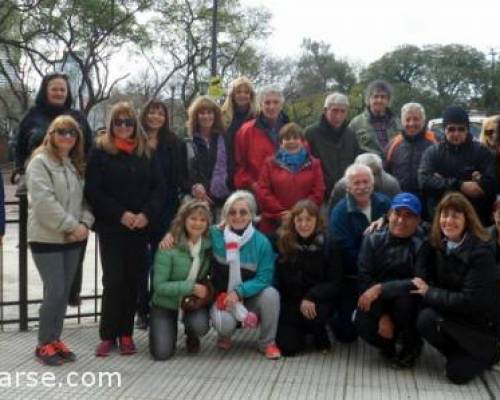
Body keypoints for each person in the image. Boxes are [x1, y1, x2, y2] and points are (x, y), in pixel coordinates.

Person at [85, 102, 165, 357]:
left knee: (133, 280)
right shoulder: (99, 151)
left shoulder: (145, 152)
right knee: (113, 280)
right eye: (118, 122)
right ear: (111, 125)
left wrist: (145, 215)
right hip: (112, 226)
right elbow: (94, 190)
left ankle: (126, 333)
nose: (123, 127)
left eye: (128, 122)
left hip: (139, 227)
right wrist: (121, 214)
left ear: (135, 126)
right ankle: (108, 334)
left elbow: (158, 189)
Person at [15, 72, 94, 307]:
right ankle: (54, 299)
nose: (59, 92)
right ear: (45, 90)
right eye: (54, 88)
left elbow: (89, 147)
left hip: (72, 181)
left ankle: (71, 293)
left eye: (63, 89)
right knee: (50, 256)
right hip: (42, 185)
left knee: (74, 247)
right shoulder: (32, 117)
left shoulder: (77, 117)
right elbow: (19, 147)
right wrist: (20, 169)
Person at [26, 115, 93, 365]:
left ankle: (55, 338)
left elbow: (86, 200)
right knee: (54, 290)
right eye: (62, 131)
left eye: (72, 133)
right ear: (51, 134)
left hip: (73, 238)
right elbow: (44, 203)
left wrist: (85, 223)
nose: (67, 137)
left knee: (64, 292)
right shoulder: (40, 162)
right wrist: (71, 226)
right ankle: (43, 343)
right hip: (47, 238)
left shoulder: (73, 164)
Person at [413, 192, 500, 384]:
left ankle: (489, 353)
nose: (448, 221)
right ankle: (459, 353)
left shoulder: (481, 252)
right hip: (453, 314)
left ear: (467, 220)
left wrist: (429, 292)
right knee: (425, 320)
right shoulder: (438, 241)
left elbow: (470, 302)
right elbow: (412, 221)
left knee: (457, 375)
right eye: (444, 215)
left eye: (455, 216)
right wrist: (384, 218)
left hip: (479, 324)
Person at [355, 193, 425, 368]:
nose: (401, 220)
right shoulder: (372, 239)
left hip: (407, 303)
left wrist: (380, 288)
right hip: (379, 302)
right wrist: (382, 315)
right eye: (397, 213)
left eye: (409, 215)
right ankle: (388, 345)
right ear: (388, 215)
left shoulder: (423, 244)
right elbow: (364, 279)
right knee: (361, 318)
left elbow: (418, 282)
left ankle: (411, 345)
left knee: (405, 300)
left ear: (418, 220)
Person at [209, 191, 281, 359]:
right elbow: (190, 232)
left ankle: (267, 343)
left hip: (250, 299)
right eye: (232, 212)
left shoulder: (261, 242)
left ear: (252, 215)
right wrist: (170, 236)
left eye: (243, 212)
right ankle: (224, 334)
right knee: (224, 324)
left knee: (271, 295)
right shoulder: (215, 235)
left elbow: (265, 278)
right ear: (225, 215)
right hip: (223, 299)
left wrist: (239, 292)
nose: (238, 216)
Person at [135, 99, 187, 330]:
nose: (156, 117)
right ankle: (141, 309)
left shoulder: (173, 143)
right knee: (140, 263)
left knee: (161, 261)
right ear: (145, 115)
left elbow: (181, 175)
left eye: (160, 113)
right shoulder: (135, 140)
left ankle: (158, 307)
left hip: (166, 208)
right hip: (139, 209)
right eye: (152, 113)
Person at [328, 164, 391, 342]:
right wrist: (371, 268)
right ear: (348, 187)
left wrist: (385, 219)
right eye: (356, 183)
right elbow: (345, 251)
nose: (362, 187)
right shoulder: (340, 212)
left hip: (383, 274)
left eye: (366, 182)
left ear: (373, 184)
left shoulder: (385, 204)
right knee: (346, 335)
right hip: (352, 276)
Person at [275, 200, 341, 356]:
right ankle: (303, 331)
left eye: (309, 219)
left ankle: (319, 331)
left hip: (318, 299)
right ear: (293, 222)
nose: (304, 224)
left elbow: (335, 283)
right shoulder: (285, 242)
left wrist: (311, 296)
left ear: (317, 221)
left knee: (314, 316)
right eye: (299, 220)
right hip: (292, 301)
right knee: (287, 348)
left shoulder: (330, 245)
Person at [149, 200, 213, 360]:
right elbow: (159, 287)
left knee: (200, 326)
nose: (197, 223)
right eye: (193, 218)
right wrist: (191, 287)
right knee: (161, 354)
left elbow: (224, 229)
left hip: (191, 302)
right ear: (184, 219)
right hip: (165, 303)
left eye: (202, 220)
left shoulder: (209, 244)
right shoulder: (168, 246)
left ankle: (191, 333)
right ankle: (167, 328)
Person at [418, 106, 497, 226]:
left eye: (461, 129)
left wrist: (441, 181)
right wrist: (460, 185)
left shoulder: (482, 152)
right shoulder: (432, 153)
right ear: (444, 130)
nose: (456, 134)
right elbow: (424, 182)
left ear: (467, 130)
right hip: (442, 221)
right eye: (451, 129)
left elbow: (491, 185)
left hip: (475, 220)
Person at [255, 123, 325, 235]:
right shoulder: (269, 163)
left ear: (302, 142)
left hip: (306, 222)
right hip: (275, 222)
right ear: (281, 143)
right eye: (287, 138)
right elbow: (263, 191)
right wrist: (282, 213)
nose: (291, 141)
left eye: (296, 138)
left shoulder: (314, 164)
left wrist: (300, 213)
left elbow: (318, 191)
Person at [233, 86, 289, 192]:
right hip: (256, 190)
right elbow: (239, 166)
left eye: (276, 102)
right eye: (267, 103)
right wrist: (252, 184)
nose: (271, 107)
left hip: (287, 189)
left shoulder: (292, 130)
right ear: (260, 105)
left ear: (281, 105)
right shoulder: (246, 131)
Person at [305, 92, 360, 195]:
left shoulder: (351, 135)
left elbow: (355, 163)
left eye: (342, 111)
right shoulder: (311, 133)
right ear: (325, 111)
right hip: (319, 193)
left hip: (347, 192)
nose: (338, 115)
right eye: (334, 111)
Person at [184, 96, 231, 209]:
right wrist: (193, 187)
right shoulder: (188, 143)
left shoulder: (225, 139)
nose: (206, 116)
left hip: (224, 199)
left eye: (209, 112)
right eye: (202, 113)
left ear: (215, 116)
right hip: (198, 201)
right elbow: (182, 174)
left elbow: (233, 166)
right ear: (195, 116)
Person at [385, 103, 437, 197]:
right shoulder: (393, 144)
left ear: (423, 120)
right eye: (407, 120)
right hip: (400, 199)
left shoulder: (436, 141)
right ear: (402, 121)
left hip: (429, 200)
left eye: (416, 119)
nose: (412, 123)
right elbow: (386, 173)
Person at [348, 80, 401, 158]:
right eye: (375, 96)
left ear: (388, 100)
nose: (379, 100)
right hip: (367, 168)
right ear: (368, 99)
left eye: (383, 97)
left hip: (394, 167)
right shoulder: (356, 123)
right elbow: (348, 149)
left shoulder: (398, 124)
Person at [328, 152, 400, 210]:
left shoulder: (391, 185)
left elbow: (397, 212)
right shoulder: (342, 186)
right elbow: (333, 215)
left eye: (373, 174)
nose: (363, 185)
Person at [221, 76, 258, 183]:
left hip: (253, 173)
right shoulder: (223, 117)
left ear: (251, 96)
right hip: (229, 171)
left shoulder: (258, 117)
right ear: (233, 95)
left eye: (246, 92)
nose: (242, 95)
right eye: (239, 92)